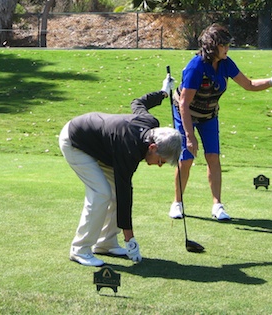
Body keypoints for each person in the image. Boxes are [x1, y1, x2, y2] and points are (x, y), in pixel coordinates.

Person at [170, 23, 272, 221]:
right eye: (224, 45)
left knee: (213, 157)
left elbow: (248, 85)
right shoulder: (195, 66)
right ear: (212, 46)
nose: (227, 48)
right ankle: (177, 203)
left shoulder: (226, 63)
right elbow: (183, 103)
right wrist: (189, 137)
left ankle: (217, 206)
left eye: (227, 44)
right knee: (187, 157)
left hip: (209, 115)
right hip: (186, 113)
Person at [59, 81, 183, 267]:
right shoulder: (130, 149)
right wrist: (130, 239)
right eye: (161, 161)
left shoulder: (151, 123)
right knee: (101, 194)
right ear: (152, 147)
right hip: (76, 141)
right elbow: (125, 193)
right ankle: (80, 249)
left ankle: (106, 243)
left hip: (105, 149)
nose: (158, 165)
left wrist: (163, 93)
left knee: (114, 194)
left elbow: (138, 103)